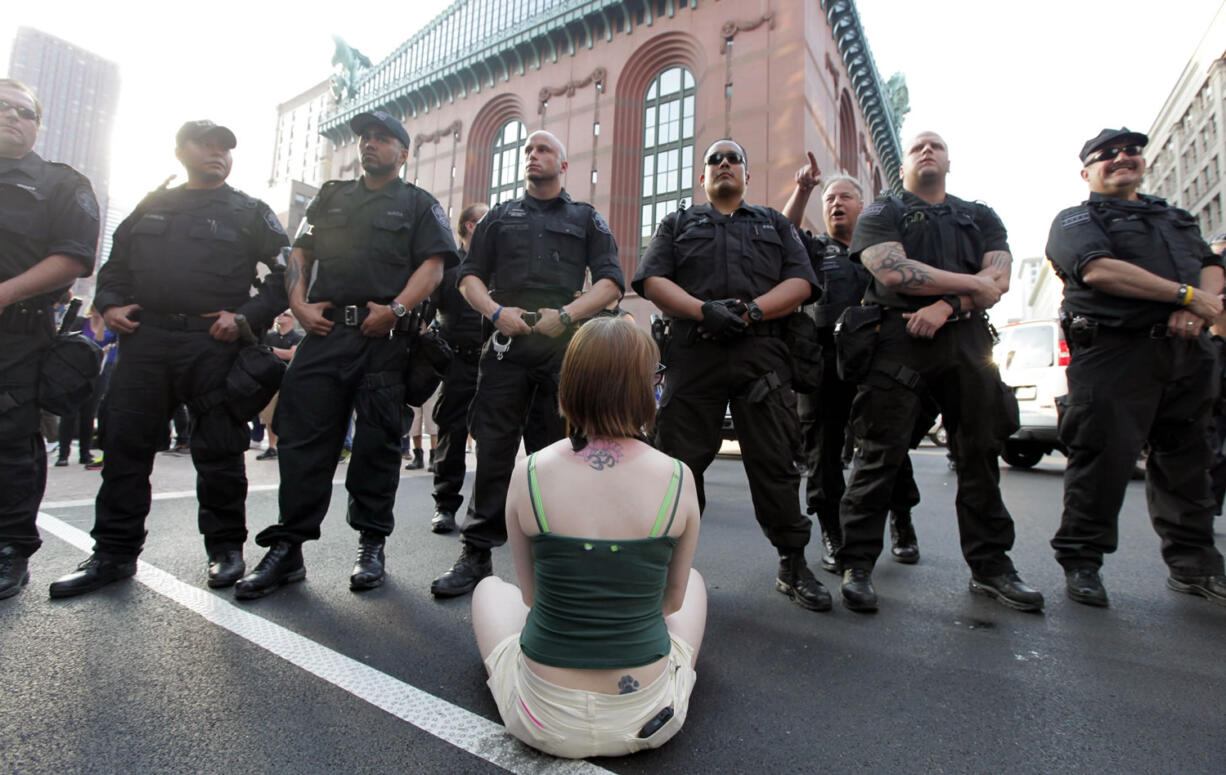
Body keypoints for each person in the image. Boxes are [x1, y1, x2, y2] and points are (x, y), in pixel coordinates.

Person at [47, 120, 288, 598]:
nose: (218, 153)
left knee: (219, 452)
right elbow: (114, 269)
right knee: (124, 450)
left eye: (225, 147)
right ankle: (113, 554)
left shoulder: (249, 212)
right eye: (207, 144)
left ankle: (225, 550)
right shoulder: (150, 205)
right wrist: (111, 305)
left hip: (213, 344)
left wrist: (246, 318)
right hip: (146, 341)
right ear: (180, 151)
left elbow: (288, 274)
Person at [235, 111, 456, 599]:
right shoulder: (331, 196)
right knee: (301, 442)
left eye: (381, 139)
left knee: (377, 446)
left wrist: (397, 310)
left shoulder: (418, 204)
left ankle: (371, 545)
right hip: (326, 329)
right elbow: (300, 253)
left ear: (403, 151)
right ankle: (287, 548)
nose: (369, 145)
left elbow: (434, 268)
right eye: (365, 139)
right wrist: (298, 303)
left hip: (384, 338)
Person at [471, 317, 704, 759]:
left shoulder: (531, 471)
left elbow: (531, 596)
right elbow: (671, 605)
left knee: (488, 589)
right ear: (646, 387)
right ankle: (667, 673)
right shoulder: (678, 477)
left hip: (542, 720)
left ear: (569, 384)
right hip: (650, 718)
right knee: (692, 583)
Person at [837, 131, 1043, 613]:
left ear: (950, 160)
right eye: (917, 147)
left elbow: (1001, 281)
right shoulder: (881, 211)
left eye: (937, 146)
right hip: (897, 337)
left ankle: (992, 568)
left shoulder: (980, 215)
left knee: (979, 455)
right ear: (903, 163)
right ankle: (857, 564)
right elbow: (891, 272)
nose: (927, 151)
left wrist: (947, 304)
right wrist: (971, 284)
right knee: (878, 453)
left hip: (967, 339)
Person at [634, 139, 830, 613]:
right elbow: (652, 280)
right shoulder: (677, 223)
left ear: (746, 175)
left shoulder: (774, 223)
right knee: (676, 469)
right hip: (694, 356)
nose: (723, 164)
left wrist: (755, 311)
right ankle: (663, 568)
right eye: (714, 160)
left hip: (760, 357)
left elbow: (802, 282)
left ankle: (792, 562)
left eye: (733, 159)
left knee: (776, 465)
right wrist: (704, 311)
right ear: (703, 179)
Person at [430, 130, 624, 598]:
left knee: (557, 451)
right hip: (505, 346)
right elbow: (468, 278)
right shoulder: (499, 217)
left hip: (562, 347)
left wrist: (566, 316)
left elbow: (611, 283)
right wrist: (497, 313)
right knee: (494, 449)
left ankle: (555, 556)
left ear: (563, 164)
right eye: (527, 151)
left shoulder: (586, 218)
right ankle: (476, 554)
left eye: (543, 150)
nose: (532, 157)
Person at [1046, 127, 1226, 607]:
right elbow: (1098, 269)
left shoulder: (1175, 217)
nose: (1122, 158)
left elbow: (1211, 265)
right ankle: (1082, 562)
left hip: (1186, 352)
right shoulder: (1076, 219)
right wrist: (1186, 296)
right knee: (1101, 461)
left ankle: (1194, 565)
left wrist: (1198, 307)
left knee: (1190, 465)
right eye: (1107, 155)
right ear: (1087, 172)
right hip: (1115, 355)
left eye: (1130, 151)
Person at [781, 153, 922, 572]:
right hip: (822, 363)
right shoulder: (812, 248)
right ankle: (831, 529)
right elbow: (782, 232)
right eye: (829, 199)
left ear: (864, 206)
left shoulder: (880, 251)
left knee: (884, 443)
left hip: (876, 363)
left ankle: (902, 518)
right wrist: (804, 188)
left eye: (845, 197)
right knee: (821, 452)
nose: (836, 204)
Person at [0, 79, 100, 600]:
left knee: (11, 438)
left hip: (17, 331)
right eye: (3, 107)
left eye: (25, 112)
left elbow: (75, 256)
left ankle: (10, 548)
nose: (13, 117)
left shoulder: (59, 183)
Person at [429, 202, 488, 534]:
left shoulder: (496, 267)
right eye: (484, 220)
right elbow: (426, 310)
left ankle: (485, 508)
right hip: (458, 362)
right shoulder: (450, 267)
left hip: (493, 363)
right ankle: (444, 505)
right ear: (469, 226)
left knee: (491, 436)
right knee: (452, 433)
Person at [54, 304, 116, 468]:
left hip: (98, 374)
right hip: (77, 374)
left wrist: (102, 323)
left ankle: (85, 452)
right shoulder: (81, 322)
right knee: (69, 413)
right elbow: (68, 340)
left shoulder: (110, 327)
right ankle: (63, 454)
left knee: (88, 415)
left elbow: (101, 340)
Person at [255, 308, 301, 461]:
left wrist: (270, 350)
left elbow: (291, 354)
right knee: (269, 416)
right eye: (280, 314)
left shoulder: (297, 337)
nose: (280, 317)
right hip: (271, 379)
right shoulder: (270, 336)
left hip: (288, 379)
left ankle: (287, 443)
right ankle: (272, 447)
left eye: (285, 314)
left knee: (289, 414)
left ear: (292, 319)